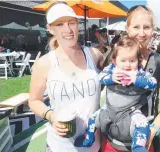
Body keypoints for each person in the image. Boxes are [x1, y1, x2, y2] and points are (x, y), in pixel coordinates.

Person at [28, 2, 104, 152]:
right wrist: (52, 116)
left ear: (78, 24)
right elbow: (34, 100)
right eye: (60, 24)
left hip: (94, 145)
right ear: (50, 28)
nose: (68, 29)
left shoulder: (94, 55)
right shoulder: (44, 63)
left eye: (71, 23)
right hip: (59, 146)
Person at [101, 5, 160, 152]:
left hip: (144, 141)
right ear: (127, 28)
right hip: (112, 141)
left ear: (153, 29)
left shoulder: (159, 62)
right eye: (136, 27)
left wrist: (153, 130)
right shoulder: (114, 56)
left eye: (146, 27)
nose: (141, 33)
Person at [76, 36, 157, 152]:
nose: (127, 65)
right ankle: (89, 137)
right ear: (115, 60)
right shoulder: (111, 69)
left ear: (138, 61)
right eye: (123, 61)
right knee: (93, 117)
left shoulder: (139, 72)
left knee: (143, 124)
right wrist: (111, 78)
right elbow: (100, 78)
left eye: (132, 61)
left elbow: (153, 83)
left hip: (131, 112)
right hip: (109, 110)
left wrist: (137, 79)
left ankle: (138, 146)